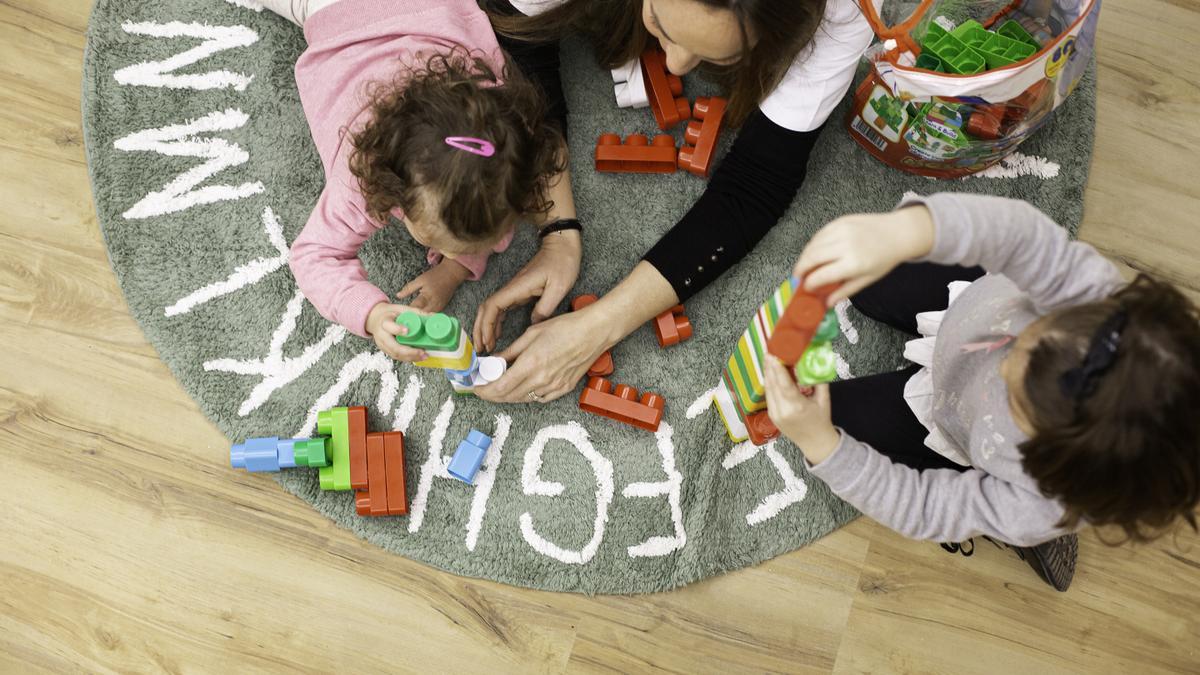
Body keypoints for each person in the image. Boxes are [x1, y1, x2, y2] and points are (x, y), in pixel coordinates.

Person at [761, 192, 1200, 591]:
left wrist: (821, 443)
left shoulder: (1038, 503)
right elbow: (1021, 235)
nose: (1002, 360)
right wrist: (902, 232)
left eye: (1015, 398)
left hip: (956, 419)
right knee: (867, 278)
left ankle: (1019, 532)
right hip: (965, 306)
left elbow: (926, 509)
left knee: (835, 424)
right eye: (1030, 335)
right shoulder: (1099, 308)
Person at [470, 0, 881, 404]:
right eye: (662, 26)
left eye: (722, 54)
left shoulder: (845, 12)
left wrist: (599, 326)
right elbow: (521, 41)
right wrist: (557, 228)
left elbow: (758, 183)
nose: (678, 64)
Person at [260, 0, 577, 362]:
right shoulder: (357, 180)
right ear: (394, 191)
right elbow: (314, 257)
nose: (462, 253)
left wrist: (453, 271)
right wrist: (371, 313)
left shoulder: (502, 133)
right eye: (443, 242)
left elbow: (489, 199)